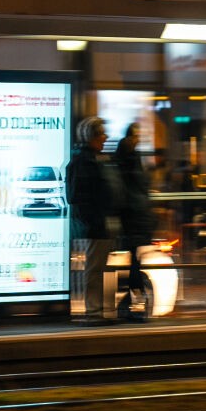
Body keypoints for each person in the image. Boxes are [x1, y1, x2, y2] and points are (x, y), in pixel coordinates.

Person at [67, 115, 122, 325]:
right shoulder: (84, 162)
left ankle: (97, 310)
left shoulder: (91, 160)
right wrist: (95, 218)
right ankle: (93, 311)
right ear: (90, 137)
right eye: (101, 134)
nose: (105, 137)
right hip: (95, 224)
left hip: (98, 223)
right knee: (94, 269)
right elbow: (79, 197)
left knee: (97, 268)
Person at [113, 122, 156, 321]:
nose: (137, 139)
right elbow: (137, 189)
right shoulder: (129, 160)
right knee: (134, 263)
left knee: (134, 262)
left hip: (134, 218)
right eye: (135, 136)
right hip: (133, 218)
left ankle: (132, 302)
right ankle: (132, 302)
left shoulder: (130, 159)